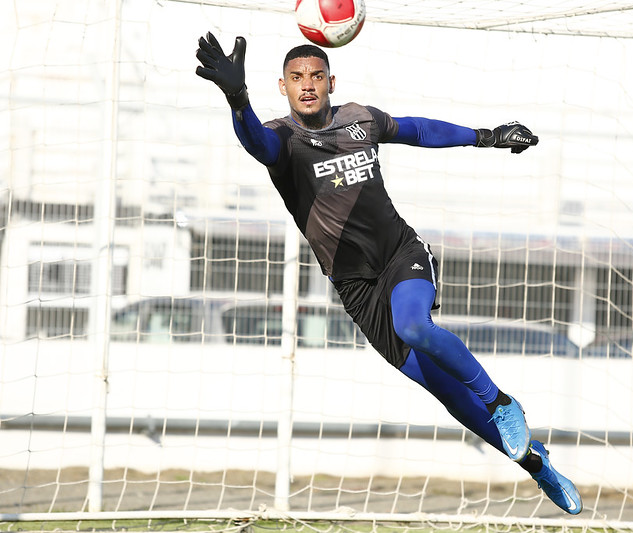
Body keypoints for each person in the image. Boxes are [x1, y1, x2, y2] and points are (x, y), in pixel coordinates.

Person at [195, 32, 582, 515]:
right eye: (297, 78)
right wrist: (237, 98)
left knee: (415, 326)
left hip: (400, 253)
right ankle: (538, 466)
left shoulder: (359, 118)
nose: (308, 85)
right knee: (445, 392)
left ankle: (502, 403)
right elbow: (256, 142)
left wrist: (487, 135)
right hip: (356, 287)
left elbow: (418, 130)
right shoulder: (283, 140)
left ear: (331, 82)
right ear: (282, 87)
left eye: (316, 76)